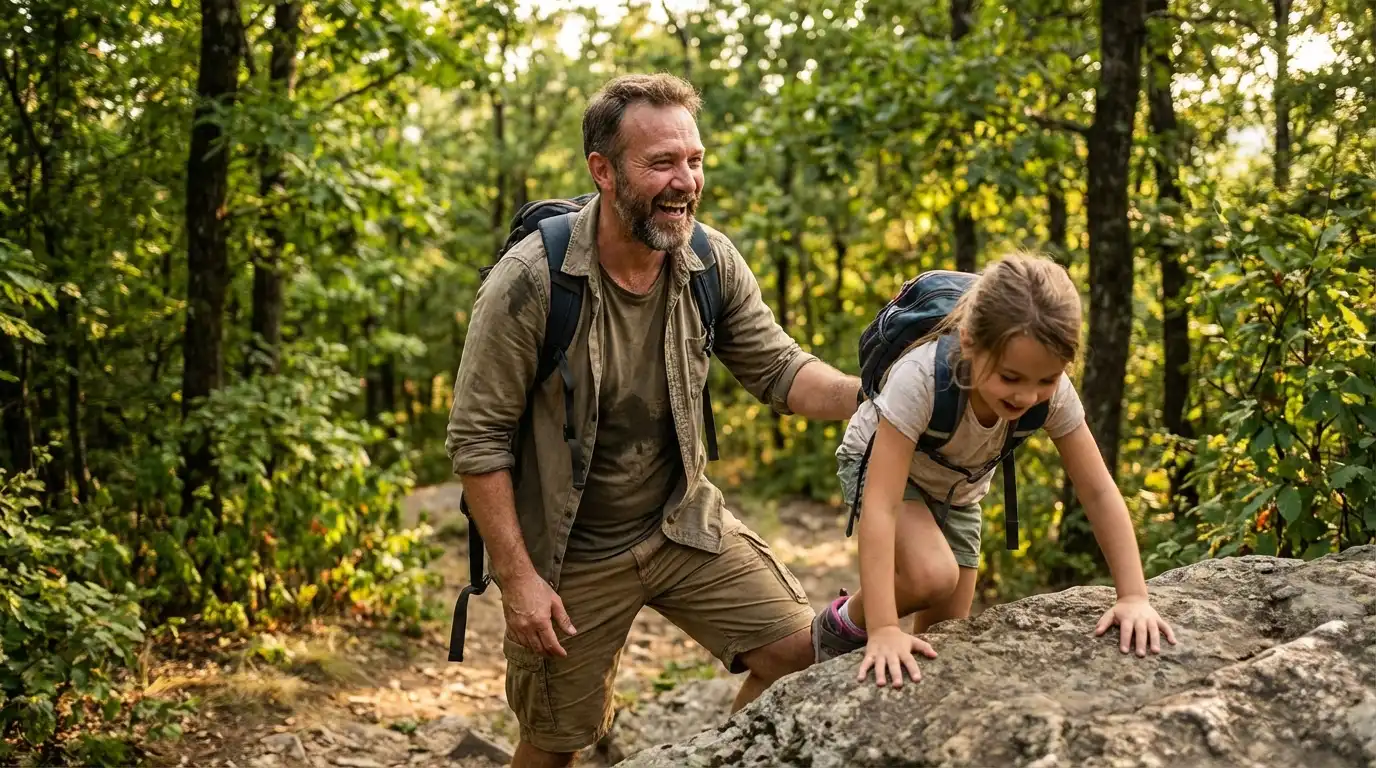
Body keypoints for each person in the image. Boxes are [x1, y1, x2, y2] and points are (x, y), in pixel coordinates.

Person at [445, 73, 860, 767]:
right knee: (555, 744)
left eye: (694, 161)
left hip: (682, 525)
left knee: (801, 652)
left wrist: (879, 394)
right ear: (603, 171)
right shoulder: (530, 281)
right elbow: (477, 438)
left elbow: (782, 371)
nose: (685, 181)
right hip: (572, 554)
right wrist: (518, 581)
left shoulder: (708, 260)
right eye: (661, 163)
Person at [814, 252, 1178, 688]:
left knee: (946, 634)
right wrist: (885, 629)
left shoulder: (1052, 391)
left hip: (958, 489)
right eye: (1010, 377)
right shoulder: (922, 378)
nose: (1027, 395)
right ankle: (842, 626)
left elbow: (1098, 492)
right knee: (933, 574)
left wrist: (1134, 596)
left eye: (1046, 380)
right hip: (882, 468)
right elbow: (881, 505)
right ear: (969, 342)